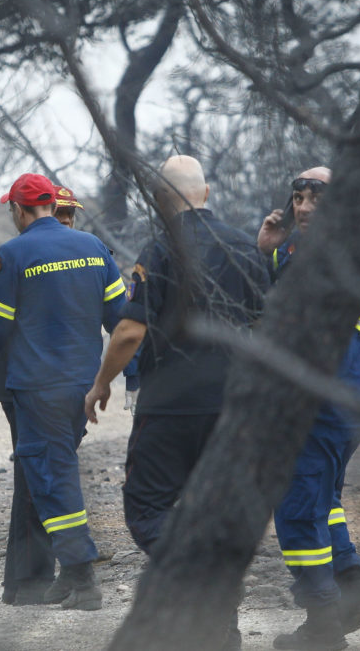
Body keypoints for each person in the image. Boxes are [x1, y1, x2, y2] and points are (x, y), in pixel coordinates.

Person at [84, 155, 268, 649]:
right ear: (205, 193)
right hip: (232, 405)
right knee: (216, 510)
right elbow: (264, 325)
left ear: (163, 200)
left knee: (146, 509)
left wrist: (102, 383)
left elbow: (128, 331)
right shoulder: (243, 247)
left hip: (169, 407)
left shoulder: (163, 247)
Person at [0, 173, 127, 611]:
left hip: (35, 390)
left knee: (51, 478)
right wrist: (121, 374)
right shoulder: (94, 248)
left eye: (11, 210)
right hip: (81, 388)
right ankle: (35, 581)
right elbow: (122, 319)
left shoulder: (12, 254)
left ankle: (81, 573)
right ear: (54, 205)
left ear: (18, 210)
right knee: (43, 474)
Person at [257, 167, 360, 650]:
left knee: (295, 508)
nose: (304, 208)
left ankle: (323, 626)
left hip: (320, 404)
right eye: (298, 197)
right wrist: (268, 254)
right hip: (350, 402)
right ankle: (350, 586)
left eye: (316, 199)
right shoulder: (319, 250)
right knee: (323, 500)